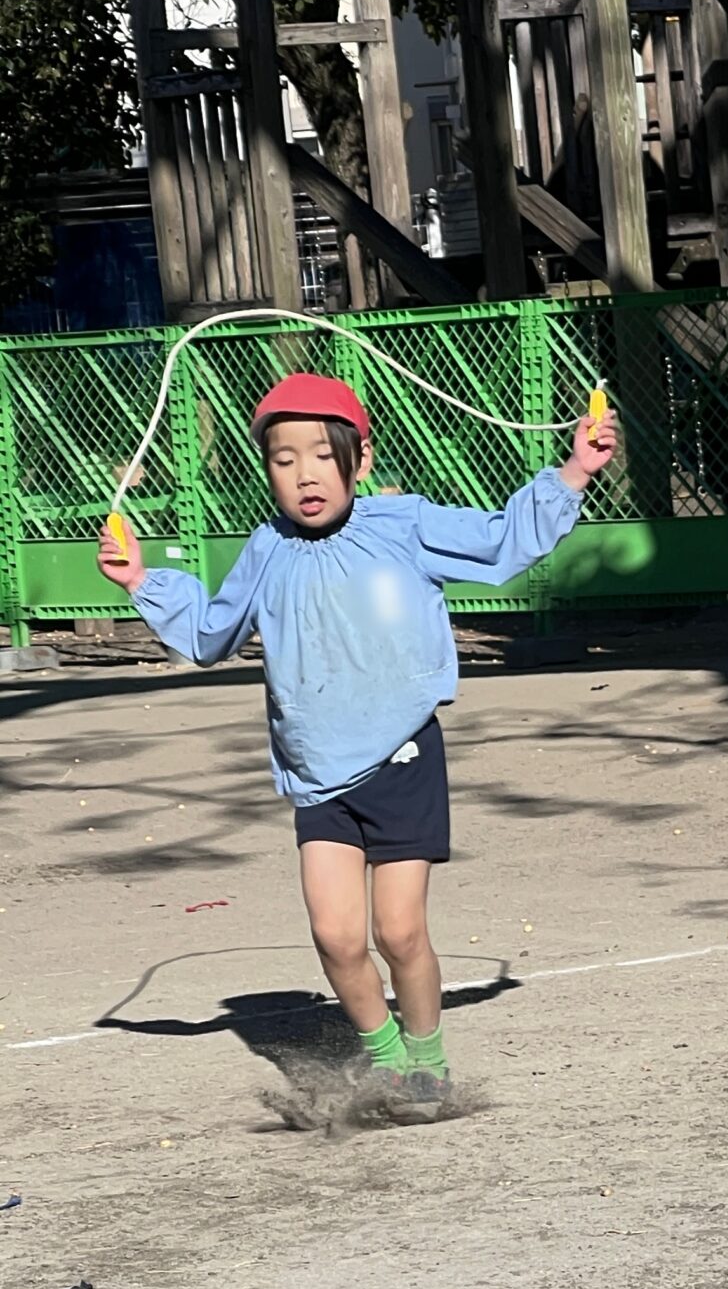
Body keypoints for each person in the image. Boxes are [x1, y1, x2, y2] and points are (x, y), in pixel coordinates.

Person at [97, 371, 617, 1122]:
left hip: (401, 758)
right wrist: (141, 580)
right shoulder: (266, 548)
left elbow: (503, 544)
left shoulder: (403, 525)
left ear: (360, 458)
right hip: (317, 776)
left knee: (399, 932)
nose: (304, 474)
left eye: (321, 454)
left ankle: (428, 1062)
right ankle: (390, 1063)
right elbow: (211, 634)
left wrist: (574, 472)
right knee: (336, 938)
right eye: (283, 459)